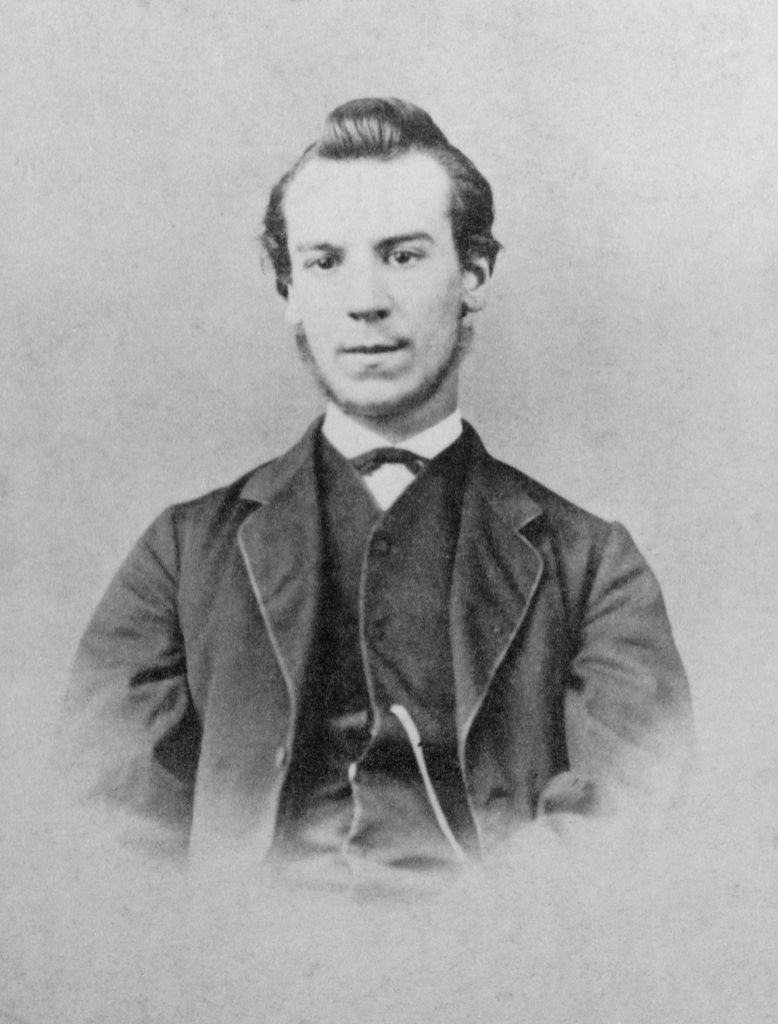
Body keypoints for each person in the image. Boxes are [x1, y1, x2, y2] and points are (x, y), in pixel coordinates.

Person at [59, 98, 693, 872]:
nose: (366, 301)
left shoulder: (593, 566)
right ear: (289, 289)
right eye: (326, 263)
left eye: (403, 256)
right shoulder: (181, 555)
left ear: (474, 272)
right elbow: (106, 836)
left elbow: (629, 824)